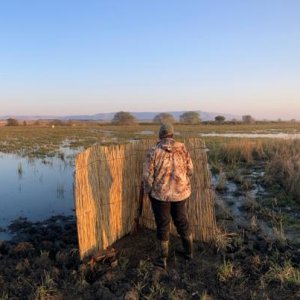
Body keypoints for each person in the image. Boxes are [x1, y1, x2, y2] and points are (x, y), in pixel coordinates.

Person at [142, 123, 193, 269]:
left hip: (160, 196)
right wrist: (183, 181)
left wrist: (150, 190)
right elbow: (190, 169)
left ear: (160, 134)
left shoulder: (153, 151)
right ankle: (189, 253)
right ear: (172, 134)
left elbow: (146, 176)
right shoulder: (182, 148)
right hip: (180, 194)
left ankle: (162, 260)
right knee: (182, 221)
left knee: (163, 225)